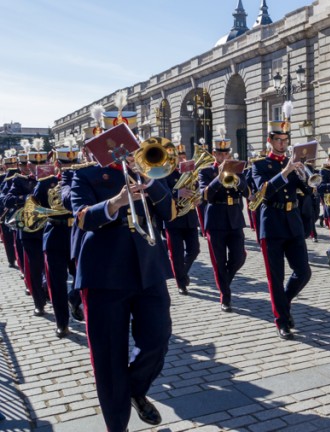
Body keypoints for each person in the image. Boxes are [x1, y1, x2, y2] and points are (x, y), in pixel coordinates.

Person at [71, 125, 175, 431]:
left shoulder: (148, 169)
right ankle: (117, 425)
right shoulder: (84, 175)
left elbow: (169, 211)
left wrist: (147, 178)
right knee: (108, 357)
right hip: (105, 274)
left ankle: (133, 389)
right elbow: (81, 217)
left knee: (158, 339)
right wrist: (115, 202)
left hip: (148, 270)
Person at [250, 115, 312, 340]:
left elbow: (306, 192)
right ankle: (282, 321)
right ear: (270, 140)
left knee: (304, 272)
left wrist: (306, 178)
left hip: (292, 221)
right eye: (278, 140)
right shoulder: (259, 165)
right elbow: (262, 191)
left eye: (285, 140)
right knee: (275, 276)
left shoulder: (292, 163)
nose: (282, 144)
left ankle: (283, 303)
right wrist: (285, 172)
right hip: (272, 222)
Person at [199, 128, 248, 312]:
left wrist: (236, 178)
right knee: (219, 261)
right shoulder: (205, 171)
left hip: (235, 219)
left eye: (226, 152)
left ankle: (224, 280)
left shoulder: (236, 168)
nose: (224, 156)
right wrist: (219, 177)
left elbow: (246, 192)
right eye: (220, 153)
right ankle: (225, 296)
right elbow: (205, 195)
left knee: (239, 257)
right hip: (215, 219)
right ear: (214, 154)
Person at [34, 138, 79, 337]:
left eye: (73, 162)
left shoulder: (83, 178)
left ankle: (75, 299)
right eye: (65, 163)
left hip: (77, 235)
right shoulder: (46, 182)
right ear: (57, 164)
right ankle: (62, 323)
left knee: (82, 279)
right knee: (57, 283)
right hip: (55, 235)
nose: (70, 167)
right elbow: (35, 206)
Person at [5, 139, 47, 315]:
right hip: (30, 230)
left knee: (52, 269)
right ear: (27, 165)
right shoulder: (19, 180)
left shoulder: (52, 179)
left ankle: (52, 294)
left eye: (42, 162)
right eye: (34, 163)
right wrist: (27, 198)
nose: (38, 166)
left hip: (51, 228)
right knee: (36, 268)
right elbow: (7, 199)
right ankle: (39, 302)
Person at [163, 139, 201, 295]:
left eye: (184, 155)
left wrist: (198, 197)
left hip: (190, 217)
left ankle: (182, 273)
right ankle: (181, 283)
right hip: (173, 219)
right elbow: (161, 193)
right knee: (176, 254)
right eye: (179, 155)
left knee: (194, 250)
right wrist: (177, 193)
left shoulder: (190, 172)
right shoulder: (165, 173)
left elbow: (197, 189)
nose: (182, 158)